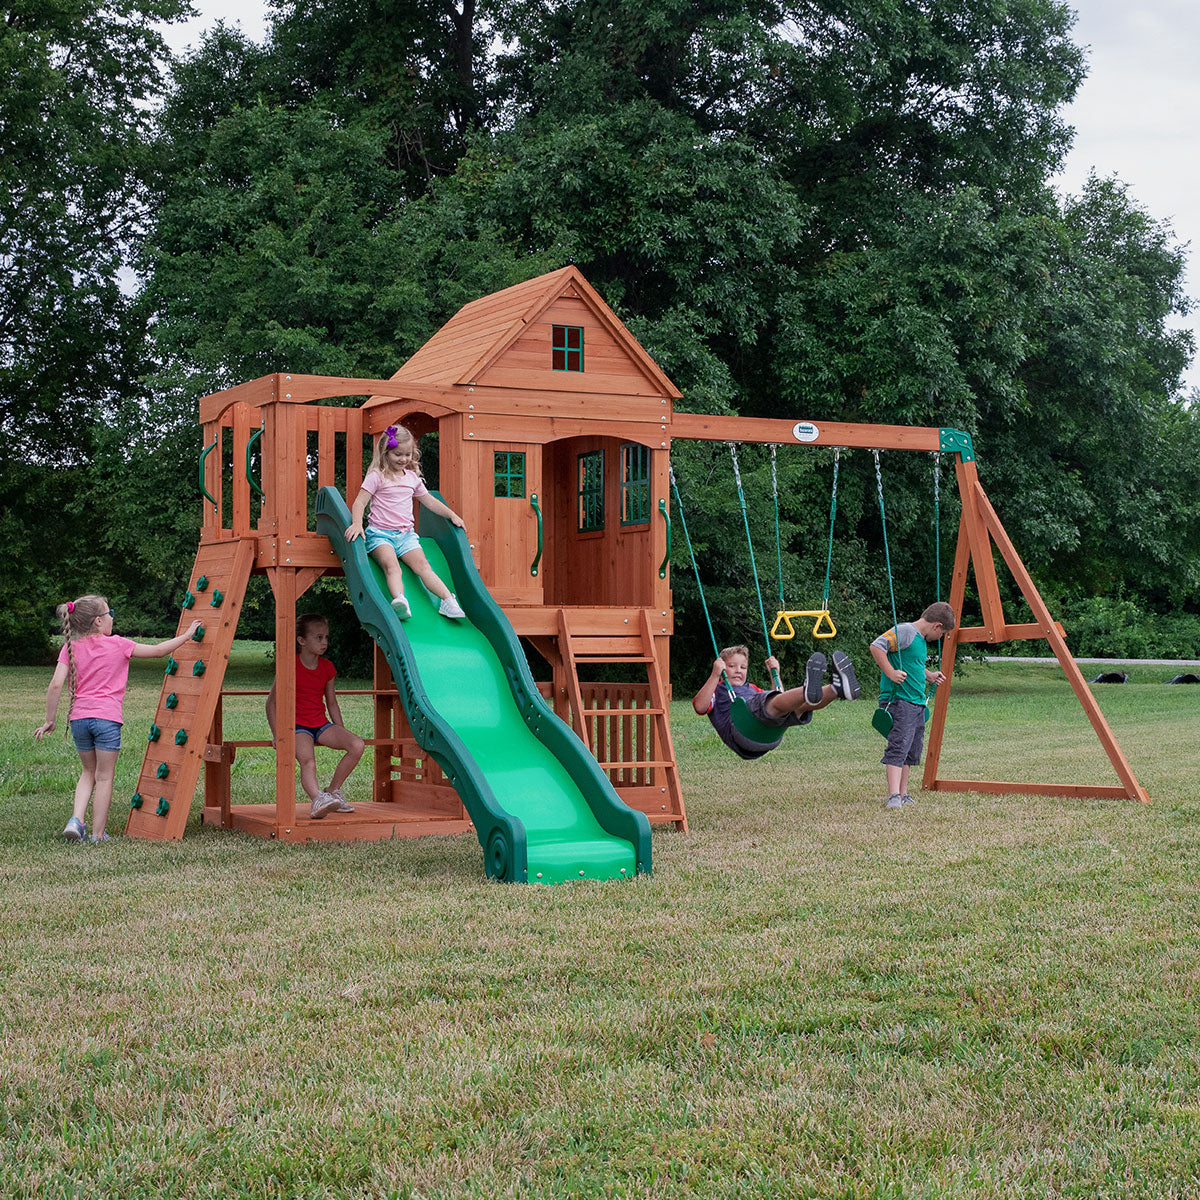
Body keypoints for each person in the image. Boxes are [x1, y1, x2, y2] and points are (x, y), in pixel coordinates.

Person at [33, 595, 202, 842]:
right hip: (107, 720)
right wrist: (187, 635)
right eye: (110, 612)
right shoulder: (119, 644)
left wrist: (50, 720)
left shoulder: (70, 648)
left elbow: (56, 684)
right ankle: (98, 834)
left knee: (87, 771)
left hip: (79, 720)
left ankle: (76, 820)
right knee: (104, 776)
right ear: (99, 621)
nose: (113, 616)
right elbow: (157, 651)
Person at [344, 424, 467, 620]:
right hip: (380, 535)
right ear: (386, 453)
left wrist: (451, 515)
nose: (403, 459)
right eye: (398, 454)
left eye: (407, 454)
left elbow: (429, 501)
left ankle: (447, 601)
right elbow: (360, 502)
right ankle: (400, 600)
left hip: (406, 536)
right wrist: (357, 524)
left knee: (423, 566)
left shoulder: (412, 479)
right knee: (392, 566)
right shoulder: (377, 476)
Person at [266, 613, 366, 820]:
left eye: (326, 638)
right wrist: (277, 734)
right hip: (297, 726)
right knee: (308, 761)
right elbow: (272, 703)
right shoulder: (289, 666)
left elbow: (331, 703)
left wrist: (340, 728)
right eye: (318, 638)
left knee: (357, 745)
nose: (324, 642)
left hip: (320, 724)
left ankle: (332, 791)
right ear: (302, 641)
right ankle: (317, 799)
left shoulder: (327, 667)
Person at [692, 645, 860, 760]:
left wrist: (775, 674)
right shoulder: (717, 689)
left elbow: (781, 698)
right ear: (721, 668)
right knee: (768, 703)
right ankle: (807, 689)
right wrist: (714, 675)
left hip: (770, 736)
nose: (738, 671)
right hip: (743, 732)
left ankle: (835, 688)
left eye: (743, 667)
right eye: (732, 666)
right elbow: (700, 706)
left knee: (796, 707)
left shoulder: (752, 688)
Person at [869, 601, 956, 809]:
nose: (940, 638)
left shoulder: (919, 640)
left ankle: (904, 793)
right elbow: (876, 646)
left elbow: (913, 665)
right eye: (942, 633)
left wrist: (929, 675)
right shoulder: (905, 631)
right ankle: (893, 795)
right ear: (936, 626)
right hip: (900, 700)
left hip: (917, 702)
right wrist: (890, 672)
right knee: (899, 747)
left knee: (910, 750)